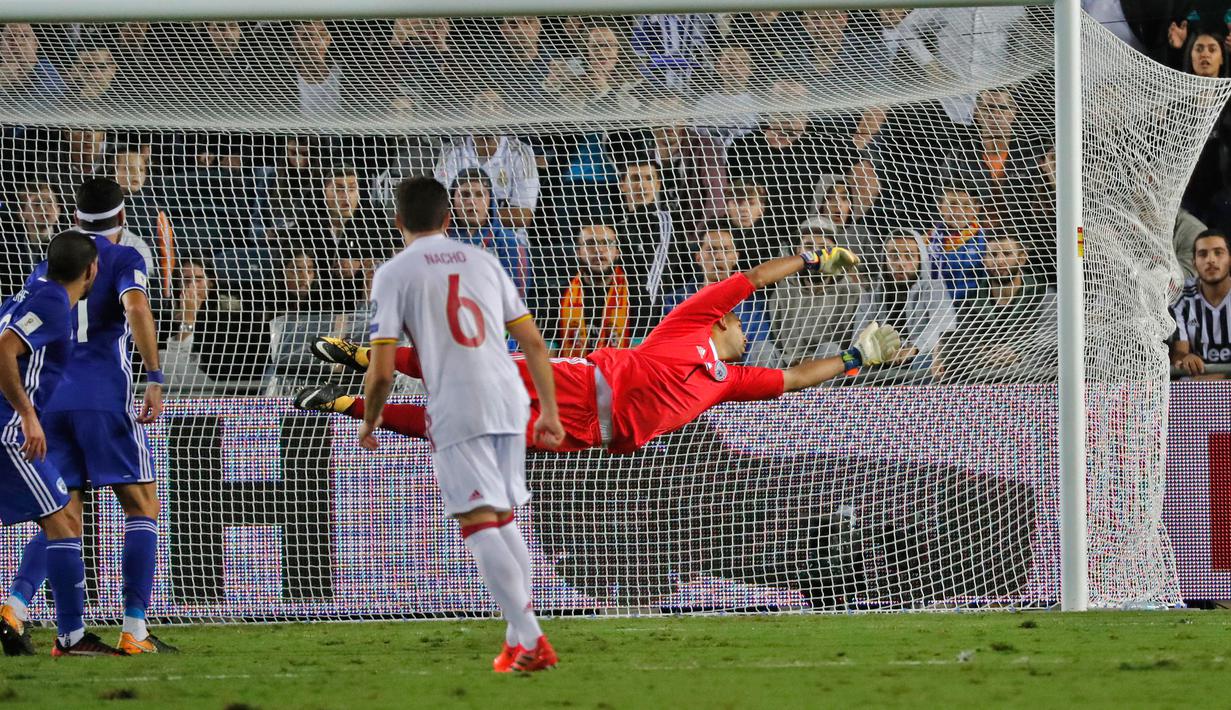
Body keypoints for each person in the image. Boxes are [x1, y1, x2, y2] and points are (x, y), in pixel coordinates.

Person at [292, 246, 900, 457]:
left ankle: (345, 402)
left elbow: (794, 377)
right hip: (581, 385)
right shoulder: (687, 322)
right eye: (741, 323)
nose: (747, 329)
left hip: (590, 433)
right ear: (724, 324)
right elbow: (752, 279)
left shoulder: (727, 381)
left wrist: (853, 359)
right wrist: (813, 261)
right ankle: (369, 357)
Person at [356, 177, 564, 673]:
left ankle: (533, 640)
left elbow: (382, 370)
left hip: (458, 405)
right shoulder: (484, 261)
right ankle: (518, 638)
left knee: (477, 522)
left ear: (397, 221)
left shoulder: (393, 273)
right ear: (449, 218)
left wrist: (369, 419)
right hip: (511, 400)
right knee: (506, 516)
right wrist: (550, 411)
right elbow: (535, 345)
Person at [0, 178, 174, 655]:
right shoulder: (121, 259)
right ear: (122, 219)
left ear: (75, 220)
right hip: (103, 400)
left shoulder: (48, 266)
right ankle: (134, 629)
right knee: (141, 506)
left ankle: (16, 605)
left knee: (62, 515)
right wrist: (155, 374)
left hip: (46, 405)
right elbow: (136, 305)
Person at [0, 231, 111, 656]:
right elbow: (4, 350)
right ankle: (71, 636)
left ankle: (15, 611)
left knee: (62, 516)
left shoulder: (39, 283)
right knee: (63, 521)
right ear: (92, 271)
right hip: (9, 430)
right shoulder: (50, 304)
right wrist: (28, 415)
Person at [1172, 228, 1231, 378]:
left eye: (1218, 252)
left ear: (1230, 259)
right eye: (1203, 254)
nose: (1211, 260)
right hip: (1198, 387)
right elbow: (1179, 352)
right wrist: (1185, 358)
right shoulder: (1183, 299)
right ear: (1194, 263)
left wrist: (1219, 377)